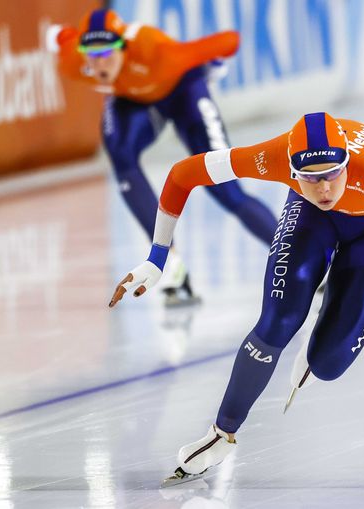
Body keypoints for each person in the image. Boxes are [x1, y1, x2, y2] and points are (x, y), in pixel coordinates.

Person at [109, 112, 364, 484]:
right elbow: (183, 174)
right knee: (277, 321)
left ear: (347, 164)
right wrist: (157, 255)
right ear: (291, 170)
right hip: (312, 219)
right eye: (309, 177)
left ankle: (331, 315)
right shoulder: (271, 157)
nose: (324, 188)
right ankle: (221, 433)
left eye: (332, 173)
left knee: (328, 364)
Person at [47, 8, 278, 303]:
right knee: (119, 153)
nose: (99, 62)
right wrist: (62, 36)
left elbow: (230, 40)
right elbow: (64, 39)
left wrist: (208, 62)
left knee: (225, 189)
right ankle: (171, 265)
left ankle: (297, 257)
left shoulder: (157, 51)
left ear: (124, 47)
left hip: (183, 92)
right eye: (91, 53)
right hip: (133, 100)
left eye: (107, 52)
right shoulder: (73, 62)